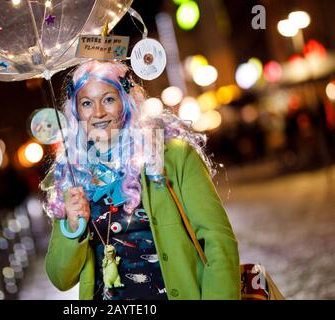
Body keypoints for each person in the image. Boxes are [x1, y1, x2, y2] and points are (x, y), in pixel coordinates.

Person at [41, 60, 240, 300]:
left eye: (108, 99)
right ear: (75, 112)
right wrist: (73, 227)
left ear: (126, 102)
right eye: (86, 103)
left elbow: (218, 242)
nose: (98, 113)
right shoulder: (74, 177)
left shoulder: (172, 157)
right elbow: (61, 279)